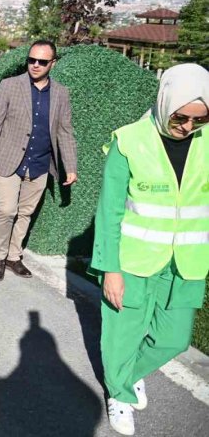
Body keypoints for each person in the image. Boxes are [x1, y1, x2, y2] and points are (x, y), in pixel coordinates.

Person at [91, 64, 208, 436]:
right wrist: (110, 268)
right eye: (181, 117)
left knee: (173, 338)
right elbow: (109, 212)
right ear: (165, 102)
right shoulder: (129, 141)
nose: (188, 126)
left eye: (200, 118)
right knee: (122, 335)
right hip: (133, 260)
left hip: (187, 262)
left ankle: (130, 373)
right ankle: (119, 393)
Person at [0, 40, 78, 281]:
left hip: (40, 163)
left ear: (52, 64)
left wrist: (70, 166)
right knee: (6, 210)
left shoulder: (61, 94)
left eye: (42, 61)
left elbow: (65, 131)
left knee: (26, 212)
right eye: (31, 59)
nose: (35, 65)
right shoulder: (9, 86)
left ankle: (14, 257)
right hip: (8, 160)